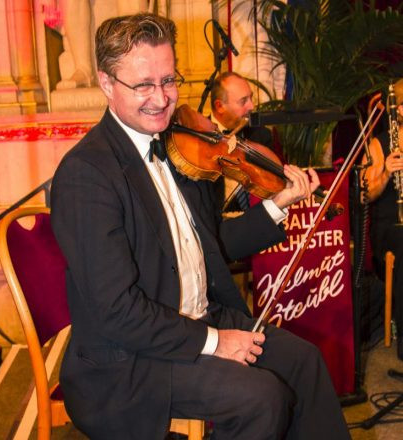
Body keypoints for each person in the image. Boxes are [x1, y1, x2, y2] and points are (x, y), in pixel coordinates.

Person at [50, 13, 350, 440]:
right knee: (262, 399)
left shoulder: (175, 147)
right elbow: (117, 312)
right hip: (133, 361)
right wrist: (215, 341)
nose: (161, 98)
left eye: (169, 81)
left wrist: (278, 205)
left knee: (304, 361)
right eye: (143, 85)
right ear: (106, 83)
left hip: (201, 317)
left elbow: (209, 245)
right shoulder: (87, 175)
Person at [361, 78, 403, 359]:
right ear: (399, 109)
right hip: (391, 225)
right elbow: (366, 195)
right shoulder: (381, 143)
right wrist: (386, 171)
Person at [210, 71, 275, 211]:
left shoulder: (262, 136)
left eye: (251, 98)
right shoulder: (198, 138)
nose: (251, 106)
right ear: (219, 106)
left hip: (258, 218)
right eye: (243, 101)